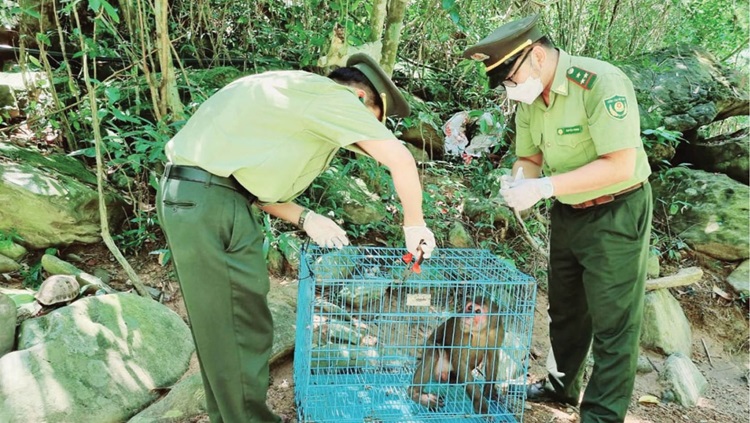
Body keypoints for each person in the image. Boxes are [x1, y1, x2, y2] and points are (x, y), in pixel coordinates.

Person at [156, 53, 437, 423]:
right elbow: (400, 158)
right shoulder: (335, 98)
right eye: (374, 124)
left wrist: (306, 217)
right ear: (360, 98)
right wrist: (414, 225)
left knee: (222, 329)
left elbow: (250, 185)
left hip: (201, 199)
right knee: (241, 327)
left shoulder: (295, 93)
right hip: (211, 204)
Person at [463, 14, 653, 423]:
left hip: (617, 208)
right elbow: (529, 158)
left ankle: (601, 415)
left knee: (614, 320)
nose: (511, 92)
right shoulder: (532, 99)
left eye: (511, 80)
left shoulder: (600, 82)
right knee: (565, 309)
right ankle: (561, 386)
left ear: (535, 57)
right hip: (568, 211)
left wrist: (545, 186)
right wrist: (518, 184)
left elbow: (621, 164)